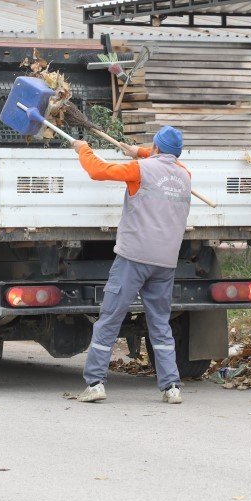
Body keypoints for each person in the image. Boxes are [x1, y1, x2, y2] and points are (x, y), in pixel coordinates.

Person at [73, 126, 191, 404]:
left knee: (110, 319)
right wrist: (138, 151)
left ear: (156, 148)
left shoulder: (139, 170)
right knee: (160, 324)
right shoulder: (185, 175)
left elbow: (98, 171)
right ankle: (171, 387)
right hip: (165, 262)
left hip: (134, 258)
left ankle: (95, 383)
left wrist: (83, 149)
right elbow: (166, 159)